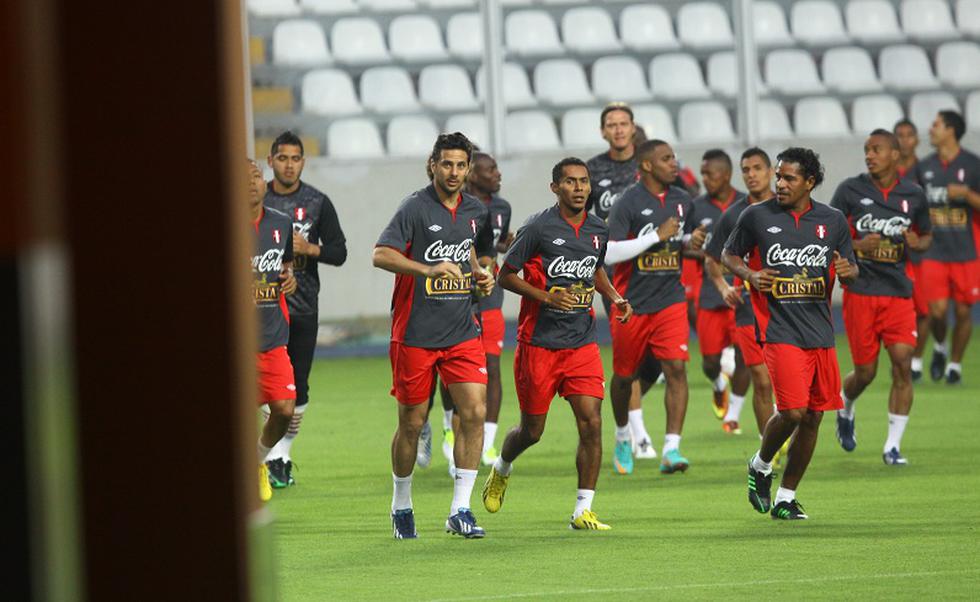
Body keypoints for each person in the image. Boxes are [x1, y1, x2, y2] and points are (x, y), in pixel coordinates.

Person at [482, 157, 633, 530]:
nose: (579, 188)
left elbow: (594, 267)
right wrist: (548, 297)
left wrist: (613, 296)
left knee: (592, 423)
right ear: (555, 188)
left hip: (581, 343)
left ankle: (582, 510)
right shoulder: (537, 227)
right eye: (570, 182)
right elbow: (505, 276)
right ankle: (502, 467)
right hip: (539, 344)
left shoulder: (598, 228)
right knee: (532, 431)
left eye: (584, 182)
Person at [724, 147, 858, 520]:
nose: (779, 183)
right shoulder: (756, 216)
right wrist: (750, 275)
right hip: (779, 329)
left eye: (789, 178)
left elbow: (850, 267)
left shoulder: (832, 221)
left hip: (821, 332)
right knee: (794, 411)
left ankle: (785, 497)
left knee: (814, 417)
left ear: (810, 182)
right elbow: (728, 255)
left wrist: (849, 272)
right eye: (778, 176)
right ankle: (761, 464)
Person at [373, 133, 495, 540]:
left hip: (461, 330)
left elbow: (473, 253)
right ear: (432, 164)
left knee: (475, 413)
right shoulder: (414, 207)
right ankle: (401, 504)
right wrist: (427, 270)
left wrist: (481, 275)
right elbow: (380, 254)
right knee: (412, 422)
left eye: (461, 165)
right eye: (447, 164)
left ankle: (460, 508)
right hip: (415, 334)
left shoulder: (476, 210)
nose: (455, 172)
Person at [605, 140, 708, 475]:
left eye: (673, 157)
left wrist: (692, 243)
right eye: (665, 159)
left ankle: (671, 449)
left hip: (670, 300)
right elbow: (609, 253)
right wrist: (655, 237)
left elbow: (682, 244)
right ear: (646, 165)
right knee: (623, 377)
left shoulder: (682, 201)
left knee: (676, 368)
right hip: (631, 304)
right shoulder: (627, 203)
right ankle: (623, 436)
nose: (673, 163)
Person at [831, 130, 932, 465]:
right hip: (861, 291)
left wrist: (918, 244)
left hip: (898, 293)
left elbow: (925, 235)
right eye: (866, 150)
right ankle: (846, 403)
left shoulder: (914, 194)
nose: (869, 155)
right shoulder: (849, 190)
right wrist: (858, 247)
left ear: (894, 153)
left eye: (876, 149)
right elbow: (825, 234)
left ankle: (892, 446)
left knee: (903, 363)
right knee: (866, 372)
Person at [262, 131, 347, 488]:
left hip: (301, 306)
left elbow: (339, 252)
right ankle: (269, 455)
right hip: (260, 309)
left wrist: (310, 249)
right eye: (282, 158)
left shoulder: (317, 202)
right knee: (264, 386)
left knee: (298, 385)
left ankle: (283, 453)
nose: (289, 165)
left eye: (295, 158)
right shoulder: (255, 199)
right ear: (270, 161)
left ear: (303, 162)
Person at [585, 103, 660, 460]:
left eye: (623, 123)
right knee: (629, 352)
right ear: (603, 131)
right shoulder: (592, 171)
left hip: (656, 270)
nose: (617, 130)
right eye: (611, 125)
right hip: (614, 272)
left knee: (658, 359)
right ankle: (638, 433)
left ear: (633, 128)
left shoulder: (648, 167)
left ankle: (627, 412)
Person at [703, 148, 776, 438]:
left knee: (785, 380)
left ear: (771, 172)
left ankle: (784, 429)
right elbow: (712, 258)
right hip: (749, 307)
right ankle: (767, 451)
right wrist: (722, 287)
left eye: (757, 168)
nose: (752, 174)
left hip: (788, 307)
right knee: (760, 379)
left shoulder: (787, 210)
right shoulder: (734, 215)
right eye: (746, 169)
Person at [911, 111, 980, 385]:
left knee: (963, 313)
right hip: (934, 251)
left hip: (967, 251)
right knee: (935, 312)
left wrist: (966, 195)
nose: (931, 129)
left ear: (951, 130)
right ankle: (940, 346)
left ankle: (955, 365)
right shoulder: (924, 167)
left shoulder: (973, 165)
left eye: (936, 124)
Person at [248, 159, 298, 503]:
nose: (251, 182)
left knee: (284, 409)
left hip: (272, 337)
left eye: (256, 175)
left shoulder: (281, 224)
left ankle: (258, 461)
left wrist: (290, 278)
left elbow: (286, 266)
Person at [688, 149, 746, 428]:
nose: (705, 178)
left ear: (726, 175)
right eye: (703, 174)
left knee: (746, 355)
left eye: (709, 173)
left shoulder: (748, 206)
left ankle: (733, 415)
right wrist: (700, 250)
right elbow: (682, 248)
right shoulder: (696, 208)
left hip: (743, 293)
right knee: (710, 361)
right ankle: (717, 383)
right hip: (710, 293)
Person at [894, 118, 931, 382]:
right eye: (900, 135)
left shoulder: (925, 172)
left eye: (909, 135)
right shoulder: (887, 174)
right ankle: (903, 357)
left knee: (926, 311)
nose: (905, 140)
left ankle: (917, 359)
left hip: (924, 252)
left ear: (916, 139)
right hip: (893, 256)